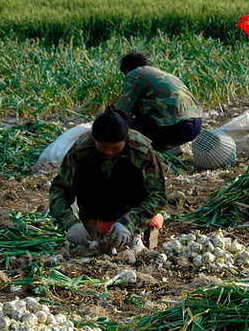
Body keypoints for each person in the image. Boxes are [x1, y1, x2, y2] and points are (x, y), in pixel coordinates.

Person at [49, 107, 166, 250]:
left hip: (132, 213)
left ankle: (136, 234)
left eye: (115, 148)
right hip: (93, 211)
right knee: (89, 249)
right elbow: (59, 190)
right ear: (94, 140)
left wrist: (129, 222)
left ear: (125, 139)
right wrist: (70, 223)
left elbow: (157, 194)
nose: (109, 152)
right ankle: (93, 228)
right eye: (102, 148)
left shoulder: (140, 150)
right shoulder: (81, 150)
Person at [116, 51, 203, 153]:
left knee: (122, 125)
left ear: (126, 70)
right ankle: (171, 146)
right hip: (195, 124)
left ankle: (161, 148)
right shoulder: (158, 73)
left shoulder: (134, 74)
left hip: (177, 128)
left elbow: (123, 110)